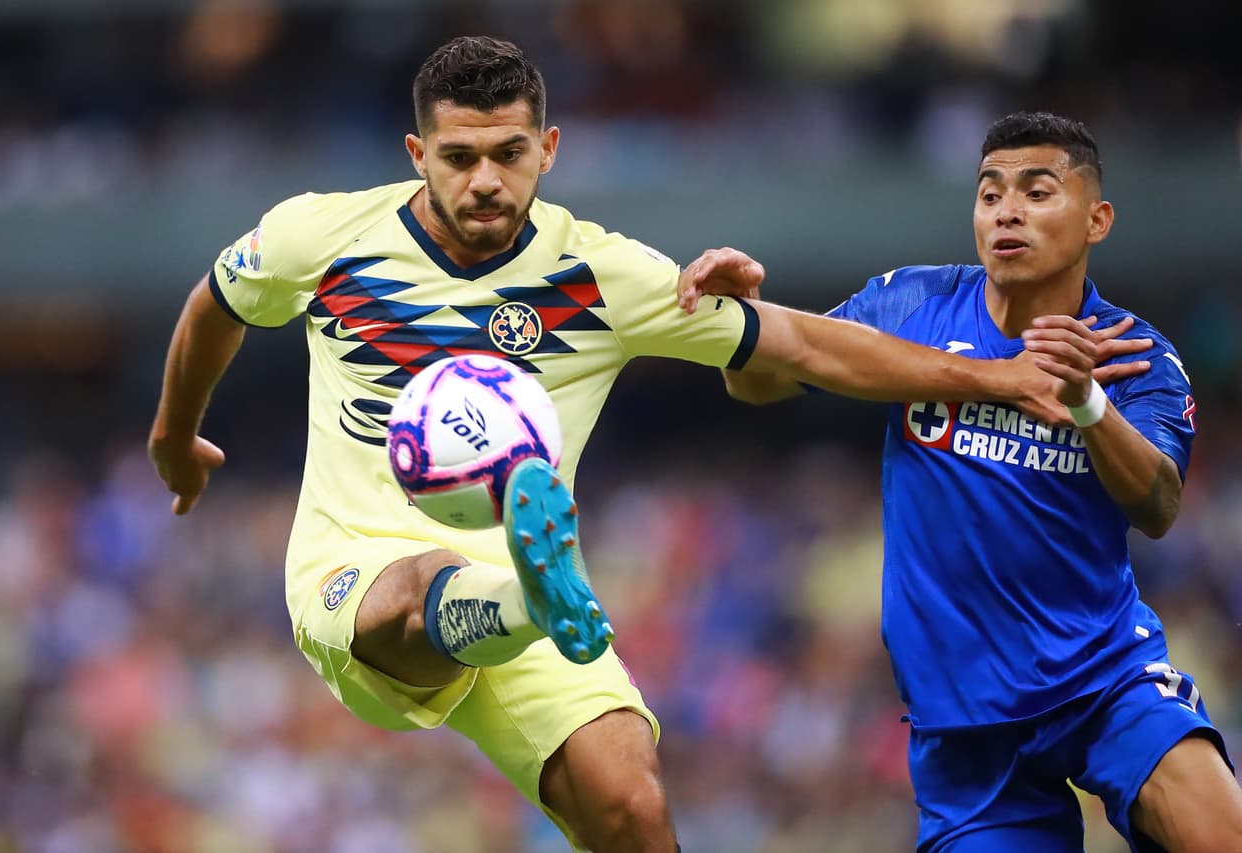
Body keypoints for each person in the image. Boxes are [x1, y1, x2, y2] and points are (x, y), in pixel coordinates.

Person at [148, 37, 1137, 850]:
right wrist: (175, 434)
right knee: (412, 591)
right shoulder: (320, 237)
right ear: (416, 154)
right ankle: (521, 596)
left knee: (629, 801)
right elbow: (215, 306)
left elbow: (802, 342)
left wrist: (994, 376)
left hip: (540, 590)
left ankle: (530, 594)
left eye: (509, 153)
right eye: (459, 158)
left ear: (550, 148)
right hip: (356, 566)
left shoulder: (601, 274)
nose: (486, 180)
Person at [681, 111, 1242, 852]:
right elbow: (759, 388)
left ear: (1096, 218)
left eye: (1037, 192)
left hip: (1106, 681)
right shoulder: (910, 305)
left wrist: (1088, 402)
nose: (1007, 210)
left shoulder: (1135, 355)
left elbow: (1159, 503)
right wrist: (735, 323)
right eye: (990, 192)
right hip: (966, 727)